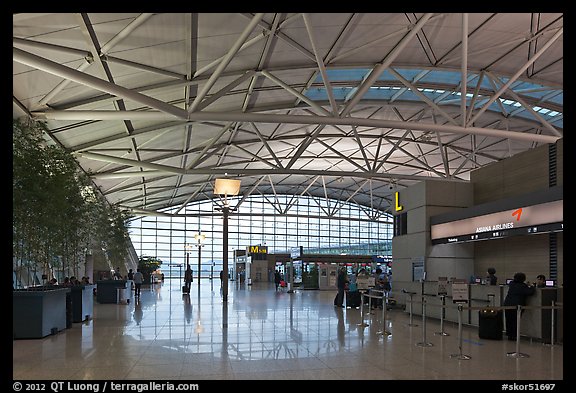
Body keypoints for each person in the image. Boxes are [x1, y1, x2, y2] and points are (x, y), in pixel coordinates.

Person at [503, 272, 535, 341]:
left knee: (508, 320)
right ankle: (514, 336)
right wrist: (531, 286)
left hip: (507, 304)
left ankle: (509, 335)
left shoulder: (511, 283)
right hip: (517, 306)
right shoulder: (522, 286)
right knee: (515, 321)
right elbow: (530, 292)